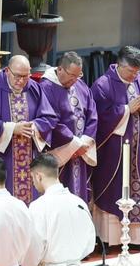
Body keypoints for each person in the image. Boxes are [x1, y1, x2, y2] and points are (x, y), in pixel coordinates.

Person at [91, 47, 140, 246]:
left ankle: (138, 238)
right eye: (131, 71)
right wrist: (125, 110)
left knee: (139, 188)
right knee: (113, 189)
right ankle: (110, 238)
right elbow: (99, 116)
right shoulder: (103, 85)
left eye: (138, 71)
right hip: (114, 151)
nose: (135, 75)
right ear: (120, 65)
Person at [0, 55, 57, 202]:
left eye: (25, 76)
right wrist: (11, 129)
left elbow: (49, 118)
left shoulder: (34, 88)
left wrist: (34, 127)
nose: (21, 81)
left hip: (29, 157)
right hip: (3, 160)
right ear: (7, 71)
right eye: (17, 76)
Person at [39, 51, 98, 201]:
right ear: (60, 69)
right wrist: (74, 144)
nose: (74, 80)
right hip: (61, 151)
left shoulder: (81, 86)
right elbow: (49, 119)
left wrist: (85, 141)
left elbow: (92, 114)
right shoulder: (46, 87)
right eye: (71, 75)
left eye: (78, 76)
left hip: (82, 151)